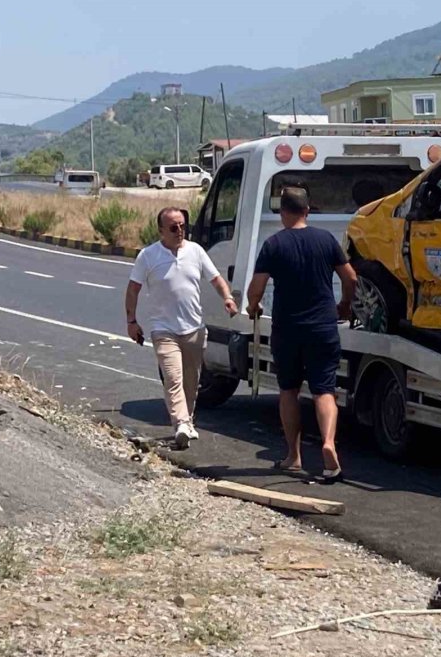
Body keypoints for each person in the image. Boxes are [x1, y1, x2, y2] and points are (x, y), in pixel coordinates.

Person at [246, 186, 357, 483]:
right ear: (308, 211)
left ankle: (293, 456)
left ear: (282, 212)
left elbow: (256, 288)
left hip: (288, 329)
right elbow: (351, 277)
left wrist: (252, 306)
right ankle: (329, 444)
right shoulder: (326, 240)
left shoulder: (274, 245)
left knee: (289, 391)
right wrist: (344, 305)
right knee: (324, 390)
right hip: (322, 326)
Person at [125, 207, 238, 449]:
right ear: (161, 231)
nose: (180, 231)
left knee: (191, 380)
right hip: (163, 330)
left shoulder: (195, 251)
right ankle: (181, 425)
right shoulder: (148, 256)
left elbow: (216, 278)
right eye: (174, 227)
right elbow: (133, 289)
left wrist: (227, 297)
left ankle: (187, 420)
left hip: (194, 329)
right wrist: (131, 322)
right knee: (173, 378)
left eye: (183, 226)